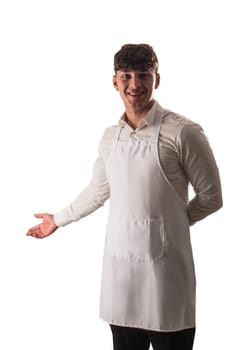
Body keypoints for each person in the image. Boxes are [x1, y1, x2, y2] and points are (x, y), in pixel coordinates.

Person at [27, 44, 223, 350]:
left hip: (166, 277)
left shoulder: (183, 132)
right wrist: (58, 219)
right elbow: (97, 191)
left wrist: (172, 223)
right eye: (126, 75)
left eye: (144, 75)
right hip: (122, 275)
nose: (135, 84)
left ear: (157, 79)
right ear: (115, 81)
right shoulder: (110, 137)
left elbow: (211, 196)